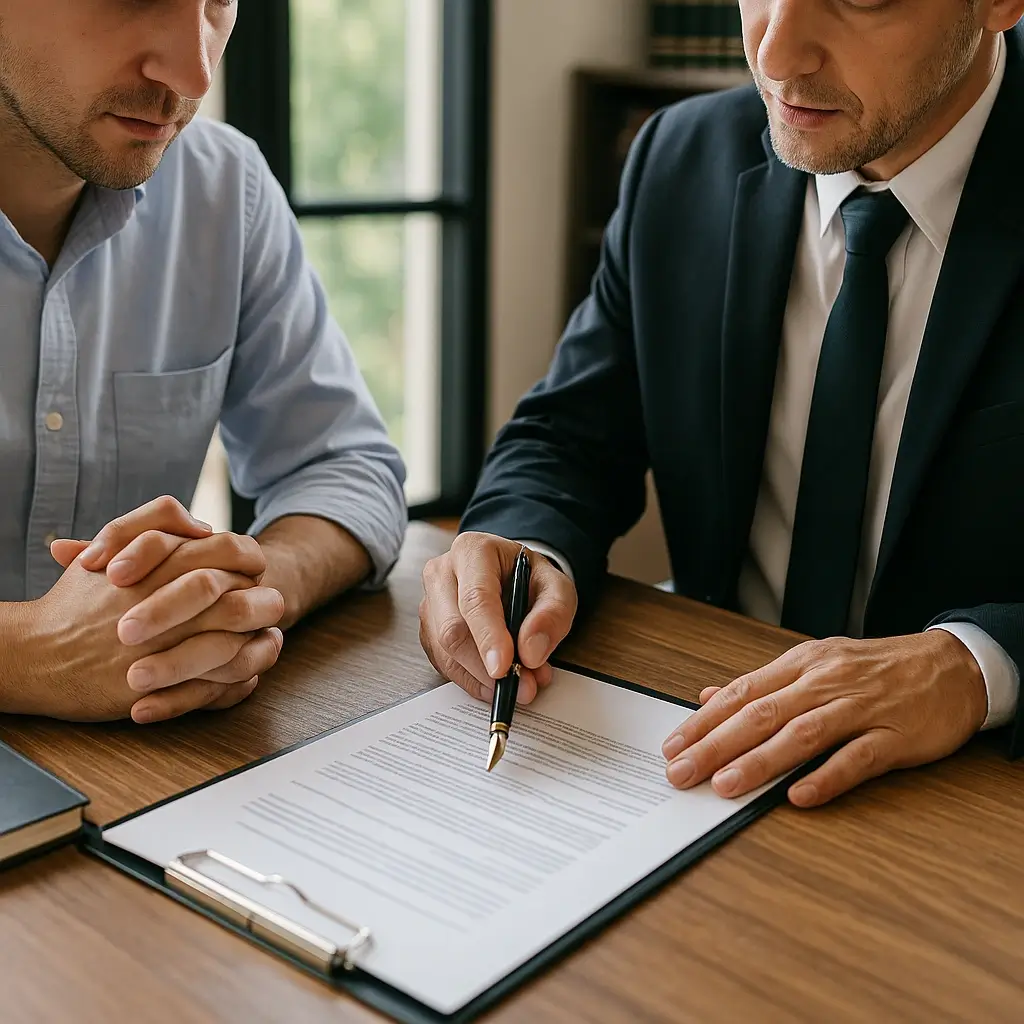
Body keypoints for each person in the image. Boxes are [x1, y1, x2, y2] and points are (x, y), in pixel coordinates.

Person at [420, 2, 1024, 807]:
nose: (775, 53)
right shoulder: (679, 155)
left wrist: (974, 668)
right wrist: (518, 545)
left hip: (969, 800)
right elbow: (571, 435)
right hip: (705, 746)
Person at [0, 2, 407, 724]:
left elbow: (346, 470)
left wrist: (229, 597)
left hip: (154, 769)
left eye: (218, 0)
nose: (195, 71)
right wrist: (30, 653)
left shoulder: (223, 187)